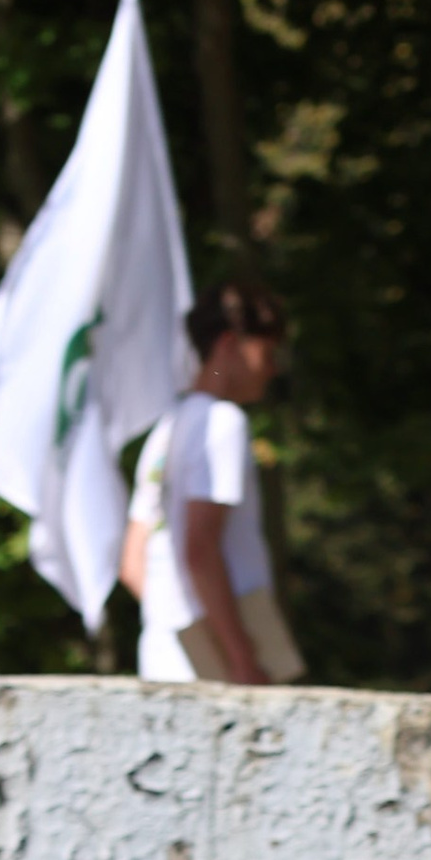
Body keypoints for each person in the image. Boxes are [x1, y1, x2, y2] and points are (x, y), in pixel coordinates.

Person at [128, 282, 303, 687]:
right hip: (219, 673)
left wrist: (178, 619)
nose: (272, 369)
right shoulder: (222, 424)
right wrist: (241, 660)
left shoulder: (164, 431)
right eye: (267, 352)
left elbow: (133, 565)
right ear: (229, 344)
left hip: (160, 658)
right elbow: (200, 549)